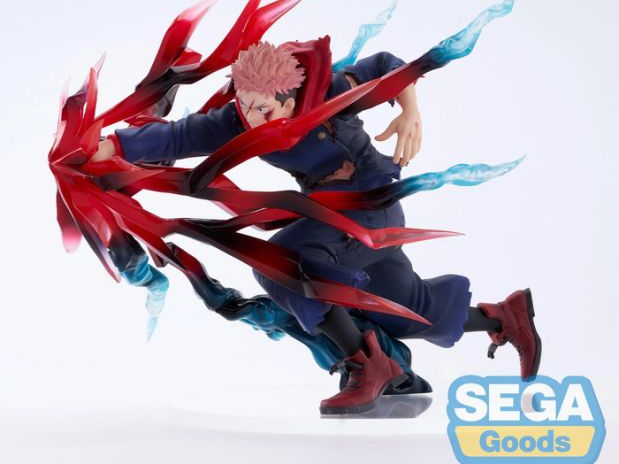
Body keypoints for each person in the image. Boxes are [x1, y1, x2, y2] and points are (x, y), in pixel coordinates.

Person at [90, 39, 541, 415]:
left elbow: (386, 65)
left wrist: (410, 111)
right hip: (333, 216)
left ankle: (368, 364)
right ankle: (505, 316)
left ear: (288, 101)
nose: (250, 116)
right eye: (243, 104)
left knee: (280, 264)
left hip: (369, 208)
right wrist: (109, 146)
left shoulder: (328, 93)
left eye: (262, 108)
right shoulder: (239, 116)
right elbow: (180, 135)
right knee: (404, 307)